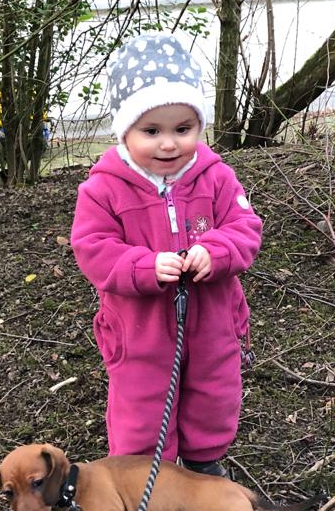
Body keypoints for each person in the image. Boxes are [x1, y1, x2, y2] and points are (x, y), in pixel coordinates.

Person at [70, 32, 262, 480]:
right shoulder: (103, 188)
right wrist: (143, 266)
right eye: (152, 131)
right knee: (141, 405)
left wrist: (216, 251)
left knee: (213, 395)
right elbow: (93, 248)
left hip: (213, 322)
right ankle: (143, 481)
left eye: (183, 129)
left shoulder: (216, 177)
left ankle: (202, 468)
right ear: (125, 130)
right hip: (139, 330)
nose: (169, 144)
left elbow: (245, 227)